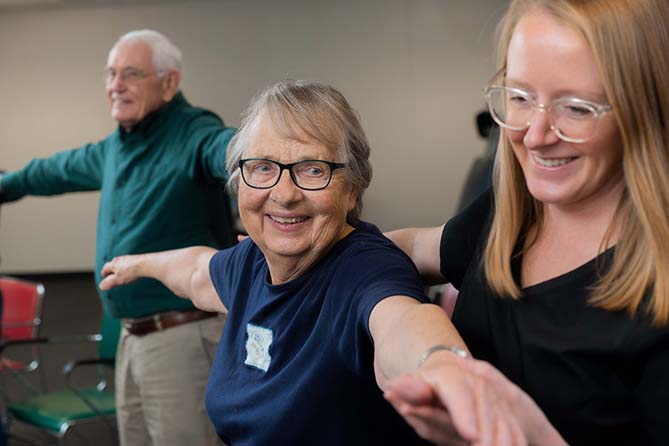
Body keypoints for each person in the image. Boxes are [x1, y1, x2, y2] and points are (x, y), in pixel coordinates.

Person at [99, 79, 565, 446]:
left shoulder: (364, 269)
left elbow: (402, 321)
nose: (283, 193)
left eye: (312, 169)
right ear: (239, 181)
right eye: (262, 167)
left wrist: (445, 368)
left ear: (352, 189)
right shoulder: (248, 263)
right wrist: (138, 262)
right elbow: (198, 272)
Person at [385, 0, 669, 445]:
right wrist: (314, 240)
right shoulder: (508, 215)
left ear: (644, 108)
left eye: (575, 108)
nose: (534, 135)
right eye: (519, 97)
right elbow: (418, 249)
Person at [0, 30, 236, 446]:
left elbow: (227, 149)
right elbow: (54, 170)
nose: (115, 85)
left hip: (181, 337)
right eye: (110, 74)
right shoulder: (117, 147)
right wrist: (7, 184)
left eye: (130, 74)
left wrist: (259, 157)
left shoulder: (192, 132)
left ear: (169, 82)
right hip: (132, 337)